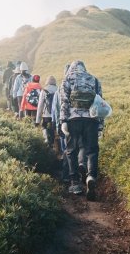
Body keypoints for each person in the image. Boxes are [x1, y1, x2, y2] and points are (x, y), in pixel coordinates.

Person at [60, 60, 104, 200]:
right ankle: (91, 176)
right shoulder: (95, 80)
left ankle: (75, 183)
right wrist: (100, 126)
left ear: (72, 68)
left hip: (73, 120)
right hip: (91, 120)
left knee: (71, 150)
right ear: (84, 68)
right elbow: (100, 104)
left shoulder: (67, 79)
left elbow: (64, 102)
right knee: (92, 151)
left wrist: (63, 121)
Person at [36, 75, 58, 145]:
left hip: (46, 115)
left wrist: (37, 121)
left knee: (44, 127)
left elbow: (40, 106)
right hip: (56, 115)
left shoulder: (44, 91)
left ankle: (46, 141)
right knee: (54, 130)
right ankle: (56, 144)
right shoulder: (58, 89)